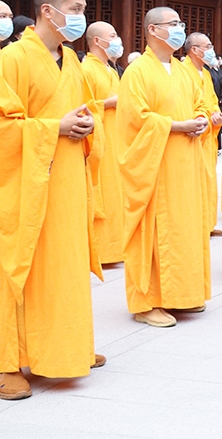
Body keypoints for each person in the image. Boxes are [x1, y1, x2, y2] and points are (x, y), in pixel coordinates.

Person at [0, 0, 106, 401]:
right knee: (17, 264)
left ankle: (63, 344)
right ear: (47, 11)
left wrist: (86, 122)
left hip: (66, 181)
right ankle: (7, 361)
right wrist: (53, 128)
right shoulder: (13, 60)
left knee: (63, 263)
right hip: (25, 183)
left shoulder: (72, 60)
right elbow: (3, 127)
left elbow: (82, 108)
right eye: (75, 7)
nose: (81, 15)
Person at [117, 6, 211, 328]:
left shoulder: (184, 70)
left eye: (182, 24)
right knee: (155, 232)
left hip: (185, 164)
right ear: (154, 30)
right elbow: (135, 120)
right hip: (155, 165)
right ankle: (147, 302)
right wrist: (176, 125)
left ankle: (180, 296)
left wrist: (199, 119)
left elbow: (201, 102)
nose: (180, 30)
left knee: (184, 228)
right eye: (174, 24)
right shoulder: (138, 72)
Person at [81, 21, 125, 264]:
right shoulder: (86, 68)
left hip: (114, 139)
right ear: (97, 41)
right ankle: (101, 251)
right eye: (113, 35)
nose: (118, 39)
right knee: (102, 194)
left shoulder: (109, 69)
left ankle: (115, 249)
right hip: (98, 141)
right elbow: (81, 105)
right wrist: (108, 103)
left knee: (115, 193)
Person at [182, 33, 222, 238]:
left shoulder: (205, 73)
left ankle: (207, 222)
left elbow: (212, 100)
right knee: (194, 180)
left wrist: (216, 113)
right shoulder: (184, 71)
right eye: (207, 46)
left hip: (209, 134)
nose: (211, 49)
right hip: (195, 132)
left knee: (208, 180)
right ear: (194, 50)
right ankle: (195, 222)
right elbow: (186, 103)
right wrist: (206, 116)